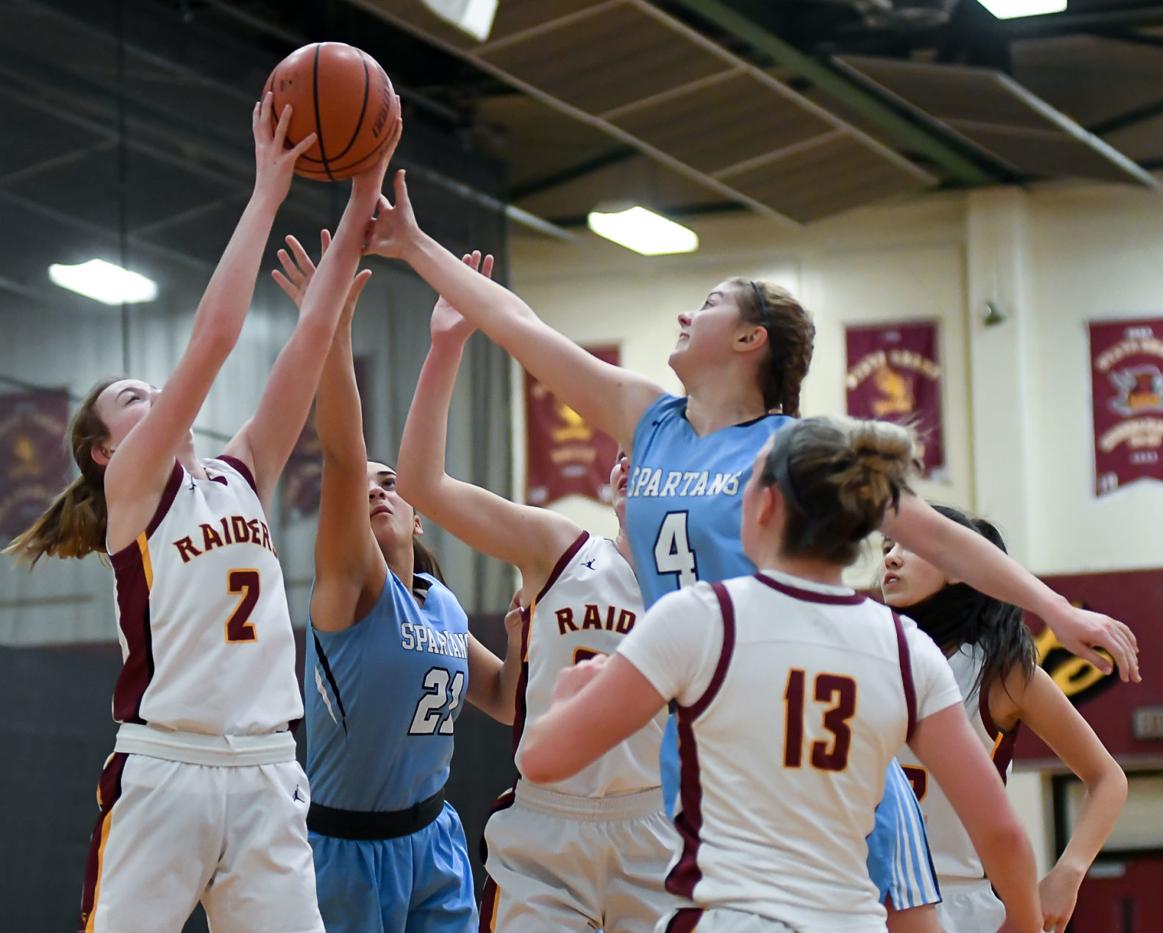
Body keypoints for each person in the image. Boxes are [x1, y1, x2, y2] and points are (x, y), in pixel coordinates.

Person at [363, 172, 1137, 922]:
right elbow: (518, 327)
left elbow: (935, 531)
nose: (680, 318)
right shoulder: (648, 418)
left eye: (705, 304)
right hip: (710, 743)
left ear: (747, 337)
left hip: (803, 727)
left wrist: (1055, 608)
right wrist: (415, 244)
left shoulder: (793, 451)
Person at [4, 94, 398, 932]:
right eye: (131, 399)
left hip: (267, 768)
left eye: (150, 389)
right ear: (106, 450)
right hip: (167, 767)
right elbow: (217, 337)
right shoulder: (135, 488)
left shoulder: (241, 472)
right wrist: (266, 191)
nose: (152, 397)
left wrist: (362, 193)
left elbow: (314, 334)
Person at [518, 416, 1042, 933]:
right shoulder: (910, 650)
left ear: (764, 504)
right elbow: (1003, 835)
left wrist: (569, 695)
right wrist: (1023, 921)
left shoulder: (701, 617)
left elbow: (544, 759)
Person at [392, 252, 674, 931]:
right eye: (624, 451)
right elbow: (423, 485)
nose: (629, 461)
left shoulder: (704, 577)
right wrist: (445, 349)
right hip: (550, 821)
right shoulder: (561, 546)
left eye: (653, 454)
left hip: (658, 824)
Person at [271, 234, 521, 933]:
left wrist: (525, 637)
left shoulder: (440, 603)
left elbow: (503, 698)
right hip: (345, 848)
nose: (378, 489)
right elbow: (345, 460)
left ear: (419, 516)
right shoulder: (352, 585)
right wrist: (333, 330)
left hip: (433, 839)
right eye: (369, 485)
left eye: (394, 482)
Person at [882, 506, 1127, 933]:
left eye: (910, 547)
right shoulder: (864, 657)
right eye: (887, 547)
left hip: (961, 902)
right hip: (865, 897)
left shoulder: (1001, 672)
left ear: (960, 567)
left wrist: (1067, 874)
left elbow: (1107, 778)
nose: (891, 557)